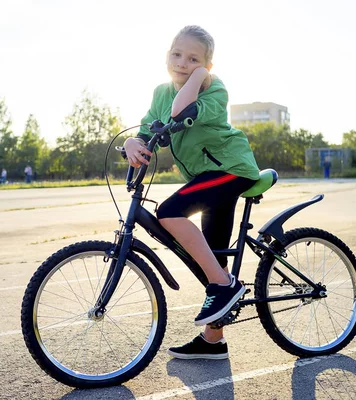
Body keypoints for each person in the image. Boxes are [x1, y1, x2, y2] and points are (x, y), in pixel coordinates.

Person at [123, 25, 260, 360]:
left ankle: (225, 285)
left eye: (193, 59)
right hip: (205, 177)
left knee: (169, 212)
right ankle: (214, 341)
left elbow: (178, 112)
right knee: (210, 258)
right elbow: (146, 130)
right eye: (177, 54)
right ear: (166, 55)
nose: (182, 63)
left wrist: (200, 76)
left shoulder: (214, 90)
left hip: (231, 169)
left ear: (206, 67)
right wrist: (132, 143)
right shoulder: (160, 92)